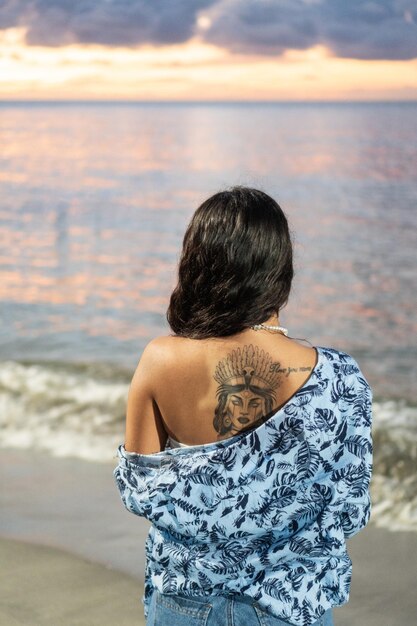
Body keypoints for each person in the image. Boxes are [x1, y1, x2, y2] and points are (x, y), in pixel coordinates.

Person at [113, 185, 373, 626]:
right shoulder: (341, 378)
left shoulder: (161, 359)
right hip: (290, 605)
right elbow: (349, 509)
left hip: (185, 601)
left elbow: (141, 490)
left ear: (197, 267)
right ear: (281, 270)